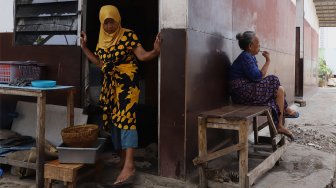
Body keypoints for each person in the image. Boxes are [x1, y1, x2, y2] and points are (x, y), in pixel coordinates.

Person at [80, 5, 161, 185]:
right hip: (110, 85)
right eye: (106, 22)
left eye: (112, 22)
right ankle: (123, 159)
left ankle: (129, 165)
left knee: (127, 119)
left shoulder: (128, 35)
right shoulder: (102, 40)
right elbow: (101, 63)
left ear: (118, 20)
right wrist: (85, 48)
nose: (109, 26)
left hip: (127, 83)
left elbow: (141, 56)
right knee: (116, 120)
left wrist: (155, 51)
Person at [229, 31, 298, 140]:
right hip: (241, 93)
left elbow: (256, 78)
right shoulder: (245, 57)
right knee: (273, 79)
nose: (260, 46)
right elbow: (258, 77)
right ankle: (285, 109)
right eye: (258, 43)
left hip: (248, 90)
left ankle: (279, 126)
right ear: (251, 46)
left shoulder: (250, 57)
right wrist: (268, 61)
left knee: (279, 90)